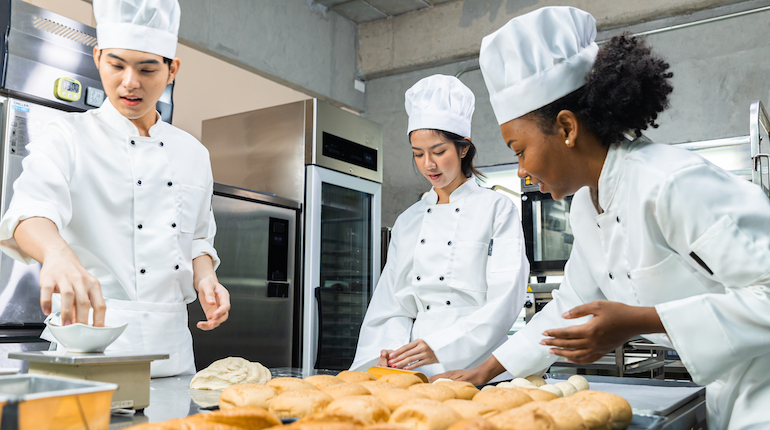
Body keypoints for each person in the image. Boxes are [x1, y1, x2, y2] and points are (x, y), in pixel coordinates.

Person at [432, 6, 770, 428]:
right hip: (723, 394)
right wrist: (483, 373)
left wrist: (640, 322)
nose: (520, 170)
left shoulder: (668, 182)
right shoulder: (586, 207)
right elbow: (569, 309)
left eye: (519, 151)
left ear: (567, 128)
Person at [0, 0, 230, 378]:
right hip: (90, 345)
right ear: (97, 56)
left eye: (147, 69)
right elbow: (29, 212)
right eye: (117, 65)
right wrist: (57, 253)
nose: (130, 83)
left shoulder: (193, 154)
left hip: (172, 352)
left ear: (172, 69)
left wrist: (206, 278)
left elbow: (197, 240)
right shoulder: (68, 137)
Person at [350, 75, 529, 377]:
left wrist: (442, 345)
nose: (428, 165)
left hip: (481, 365)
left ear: (462, 148)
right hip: (414, 364)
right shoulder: (408, 221)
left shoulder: (496, 209)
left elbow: (505, 298)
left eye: (438, 151)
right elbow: (393, 304)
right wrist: (390, 353)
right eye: (418, 154)